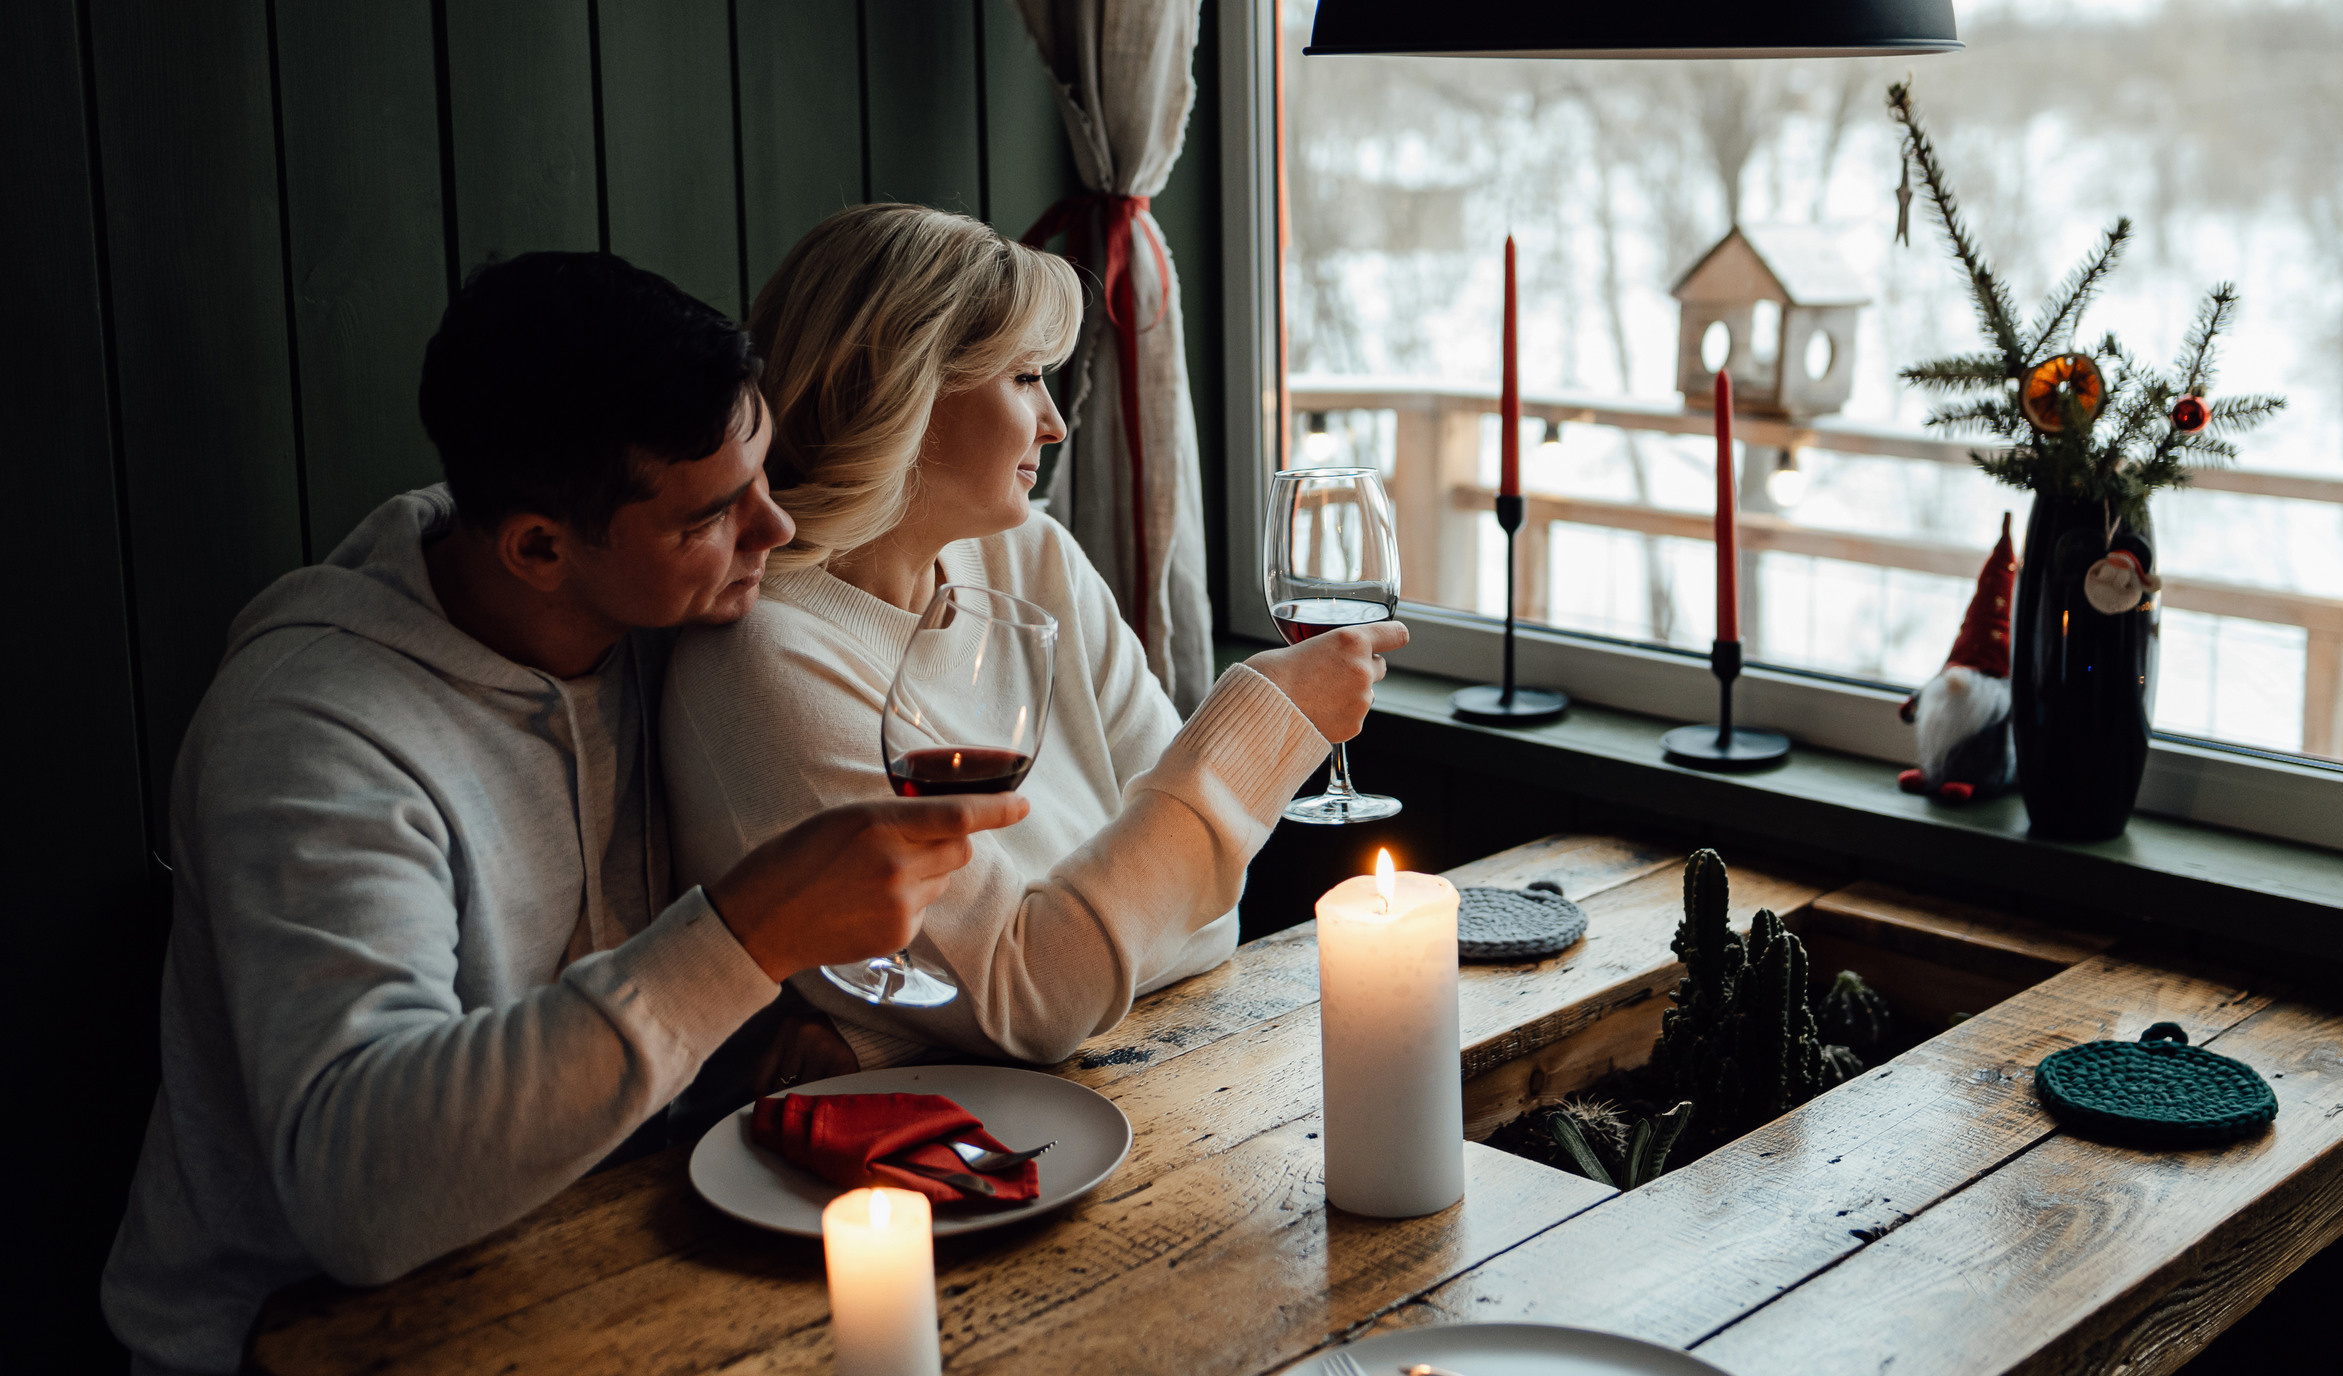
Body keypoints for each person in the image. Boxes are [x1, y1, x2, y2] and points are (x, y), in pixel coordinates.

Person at [102, 254, 1026, 1376]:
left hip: (602, 1265)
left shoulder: (653, 617)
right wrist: (744, 940)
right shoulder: (309, 743)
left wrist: (763, 1036)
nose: (776, 530)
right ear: (538, 548)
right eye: (714, 512)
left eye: (763, 473)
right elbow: (362, 1193)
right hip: (305, 1338)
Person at [663, 205, 1406, 1069]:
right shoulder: (767, 663)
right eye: (1024, 378)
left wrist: (885, 1037)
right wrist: (1263, 726)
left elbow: (1204, 917)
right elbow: (1042, 998)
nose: (1054, 423)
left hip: (1128, 1092)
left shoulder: (1030, 554)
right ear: (907, 391)